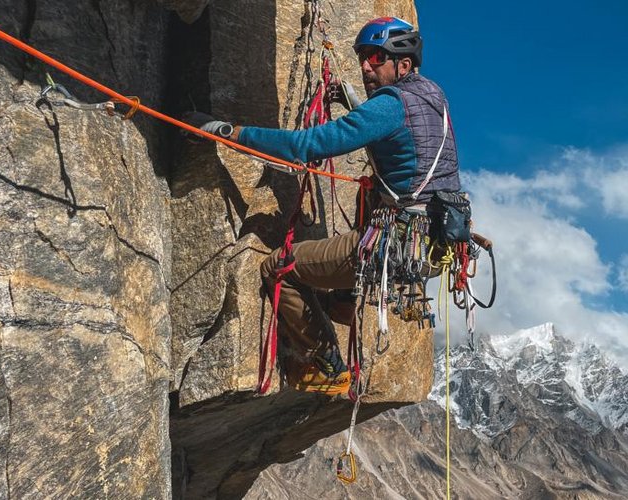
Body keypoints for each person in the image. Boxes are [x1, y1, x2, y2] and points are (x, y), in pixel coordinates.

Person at [185, 17, 460, 396]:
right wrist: (351, 101)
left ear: (404, 64)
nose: (366, 65)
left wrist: (228, 132)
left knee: (280, 268)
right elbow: (399, 132)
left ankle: (326, 365)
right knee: (369, 195)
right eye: (363, 56)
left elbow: (308, 146)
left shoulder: (390, 105)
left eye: (376, 57)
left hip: (396, 245)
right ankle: (343, 303)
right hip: (435, 243)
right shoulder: (434, 97)